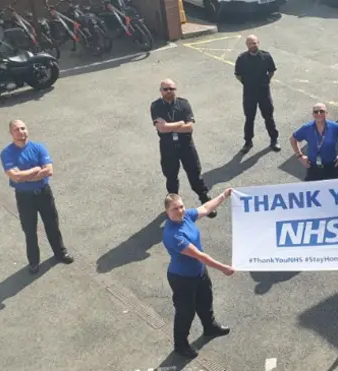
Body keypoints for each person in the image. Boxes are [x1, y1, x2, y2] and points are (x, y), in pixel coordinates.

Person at [163, 189, 236, 359]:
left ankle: (209, 327)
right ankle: (180, 345)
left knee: (205, 300)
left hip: (198, 272)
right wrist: (223, 267)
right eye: (175, 209)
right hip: (182, 279)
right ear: (167, 212)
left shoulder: (186, 216)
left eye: (181, 206)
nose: (180, 211)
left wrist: (224, 195)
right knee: (185, 312)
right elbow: (200, 256)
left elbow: (205, 208)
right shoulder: (174, 235)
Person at [0, 119, 74, 274]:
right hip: (25, 198)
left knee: (52, 225)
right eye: (16, 130)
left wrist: (24, 175)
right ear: (11, 133)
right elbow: (15, 177)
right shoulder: (7, 153)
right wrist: (36, 169)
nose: (21, 132)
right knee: (30, 230)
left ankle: (60, 253)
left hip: (44, 194)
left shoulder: (38, 148)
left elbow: (49, 171)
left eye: (23, 128)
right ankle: (33, 262)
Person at [150, 78, 216, 218]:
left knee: (195, 174)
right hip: (168, 147)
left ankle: (205, 201)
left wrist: (169, 126)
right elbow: (161, 129)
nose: (169, 92)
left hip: (186, 145)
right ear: (161, 91)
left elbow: (189, 127)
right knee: (171, 177)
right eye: (166, 89)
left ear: (175, 89)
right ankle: (172, 207)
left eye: (172, 89)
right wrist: (180, 123)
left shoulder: (183, 104)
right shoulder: (156, 106)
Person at [234, 34, 281, 154]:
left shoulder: (266, 56)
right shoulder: (242, 58)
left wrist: (266, 81)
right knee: (249, 118)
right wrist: (247, 84)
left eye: (255, 43)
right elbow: (238, 75)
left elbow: (271, 71)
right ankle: (248, 142)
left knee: (268, 116)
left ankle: (274, 140)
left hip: (263, 92)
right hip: (249, 93)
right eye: (250, 43)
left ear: (258, 43)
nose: (253, 45)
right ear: (247, 45)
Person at [289, 103, 338, 181]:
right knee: (312, 190)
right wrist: (300, 156)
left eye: (321, 111)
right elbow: (292, 139)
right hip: (313, 166)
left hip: (331, 166)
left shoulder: (334, 127)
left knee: (332, 189)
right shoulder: (307, 128)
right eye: (316, 112)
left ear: (326, 114)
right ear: (313, 114)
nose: (318, 113)